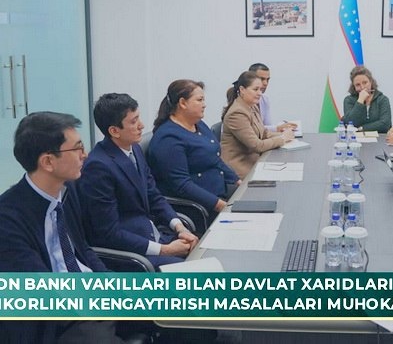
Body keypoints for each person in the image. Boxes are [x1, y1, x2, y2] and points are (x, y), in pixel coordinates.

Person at [0, 112, 122, 343]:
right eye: (77, 149)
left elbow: (82, 250)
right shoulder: (8, 219)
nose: (85, 155)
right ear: (48, 161)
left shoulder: (65, 190)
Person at [78, 93, 198, 270]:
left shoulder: (134, 148)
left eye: (138, 118)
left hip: (154, 235)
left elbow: (154, 196)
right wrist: (164, 250)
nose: (141, 125)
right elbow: (109, 233)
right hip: (133, 255)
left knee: (206, 251)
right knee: (199, 274)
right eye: (134, 122)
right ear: (114, 131)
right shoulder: (98, 167)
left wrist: (180, 227)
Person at [148, 79, 240, 215]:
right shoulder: (168, 138)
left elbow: (215, 159)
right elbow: (181, 185)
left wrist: (238, 181)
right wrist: (220, 205)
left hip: (220, 194)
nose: (204, 105)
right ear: (183, 103)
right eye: (199, 100)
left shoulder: (198, 124)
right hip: (198, 207)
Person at [221, 71, 295, 178]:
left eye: (260, 89)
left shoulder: (252, 106)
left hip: (255, 162)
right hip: (240, 170)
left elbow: (264, 133)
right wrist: (282, 139)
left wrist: (285, 135)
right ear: (242, 90)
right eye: (255, 89)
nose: (260, 93)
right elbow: (257, 145)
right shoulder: (237, 113)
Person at [248, 63, 297, 132]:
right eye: (262, 79)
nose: (265, 83)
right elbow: (251, 129)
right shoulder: (241, 103)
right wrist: (278, 128)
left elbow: (268, 126)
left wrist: (282, 127)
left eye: (267, 80)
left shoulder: (264, 99)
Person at [342, 65, 392, 133]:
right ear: (353, 86)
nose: (362, 87)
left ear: (371, 82)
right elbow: (350, 123)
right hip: (355, 138)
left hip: (380, 137)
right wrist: (360, 101)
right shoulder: (348, 100)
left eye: (365, 83)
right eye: (358, 85)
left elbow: (385, 124)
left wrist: (362, 128)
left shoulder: (382, 99)